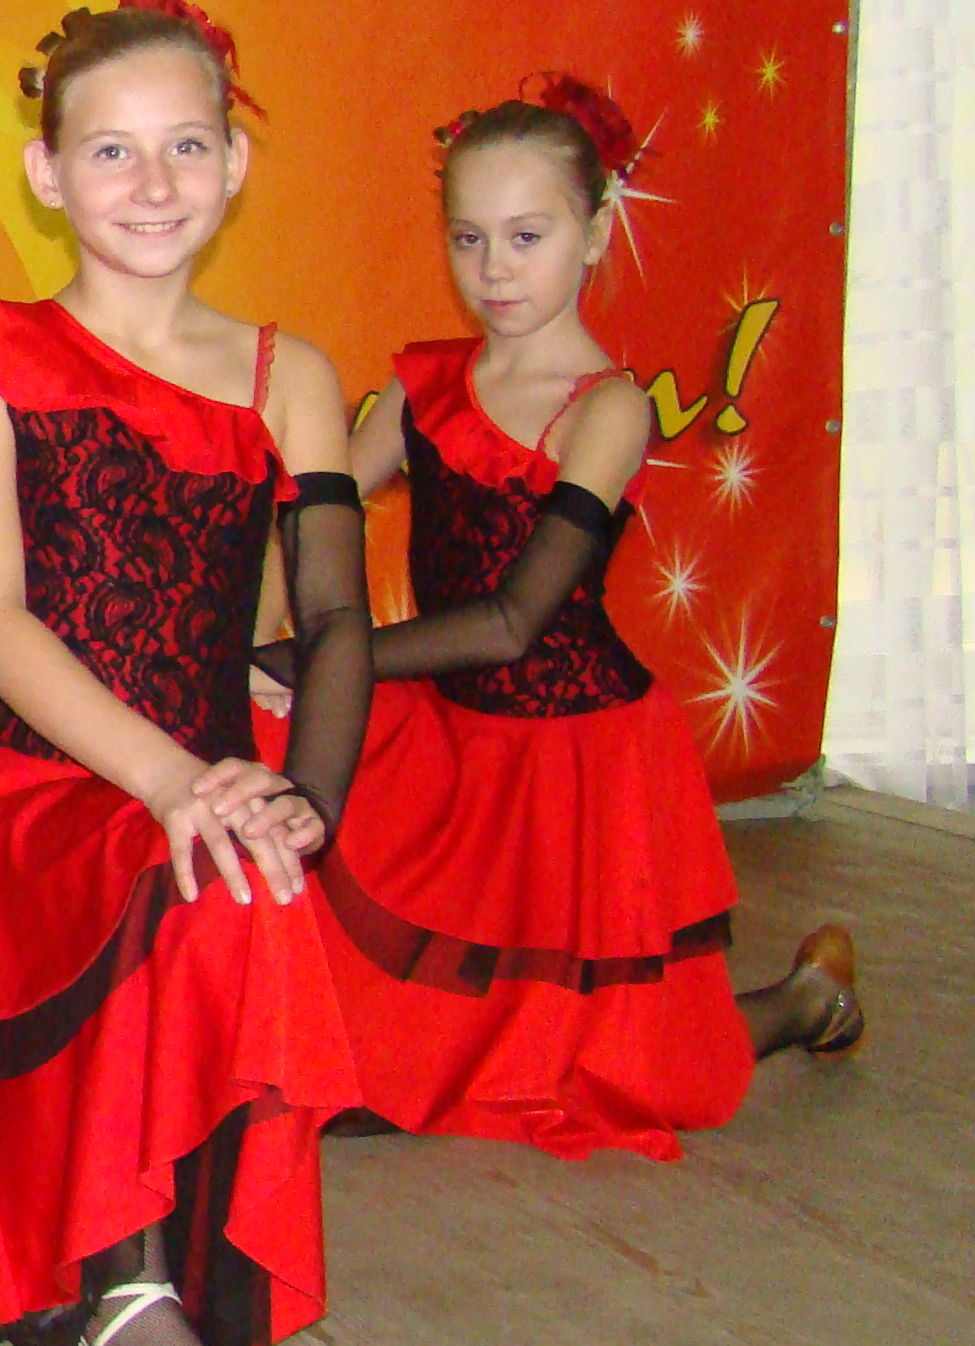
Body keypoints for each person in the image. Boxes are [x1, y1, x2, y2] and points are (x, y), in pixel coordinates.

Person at [0, 0, 374, 1346]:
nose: (154, 183)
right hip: (42, 789)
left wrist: (305, 799)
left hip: (211, 769)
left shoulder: (289, 374)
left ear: (235, 164)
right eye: (113, 151)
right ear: (47, 173)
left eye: (187, 146)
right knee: (183, 855)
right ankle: (129, 1286)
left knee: (241, 867)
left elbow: (334, 620)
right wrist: (174, 783)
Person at [246, 78, 861, 1160]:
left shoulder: (610, 408)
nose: (494, 269)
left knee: (642, 1072)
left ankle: (809, 999)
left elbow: (513, 622)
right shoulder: (422, 386)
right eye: (469, 238)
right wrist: (254, 642)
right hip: (450, 740)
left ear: (597, 231)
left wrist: (318, 658)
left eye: (527, 237)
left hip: (581, 762)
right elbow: (303, 513)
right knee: (257, 733)